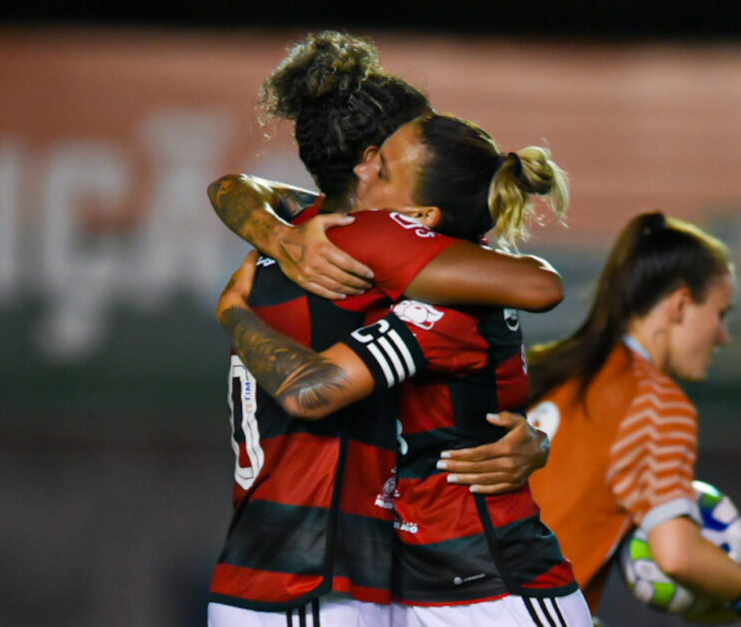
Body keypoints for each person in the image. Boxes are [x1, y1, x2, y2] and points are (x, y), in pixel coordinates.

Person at [206, 32, 585, 626]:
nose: (438, 137)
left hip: (308, 574)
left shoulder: (295, 230)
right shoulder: (385, 242)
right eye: (397, 149)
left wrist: (241, 291)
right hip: (314, 583)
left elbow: (230, 185)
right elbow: (540, 285)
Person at [505, 211, 741, 621]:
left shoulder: (558, 372)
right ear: (681, 305)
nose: (724, 335)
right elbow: (678, 554)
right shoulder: (656, 403)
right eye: (721, 314)